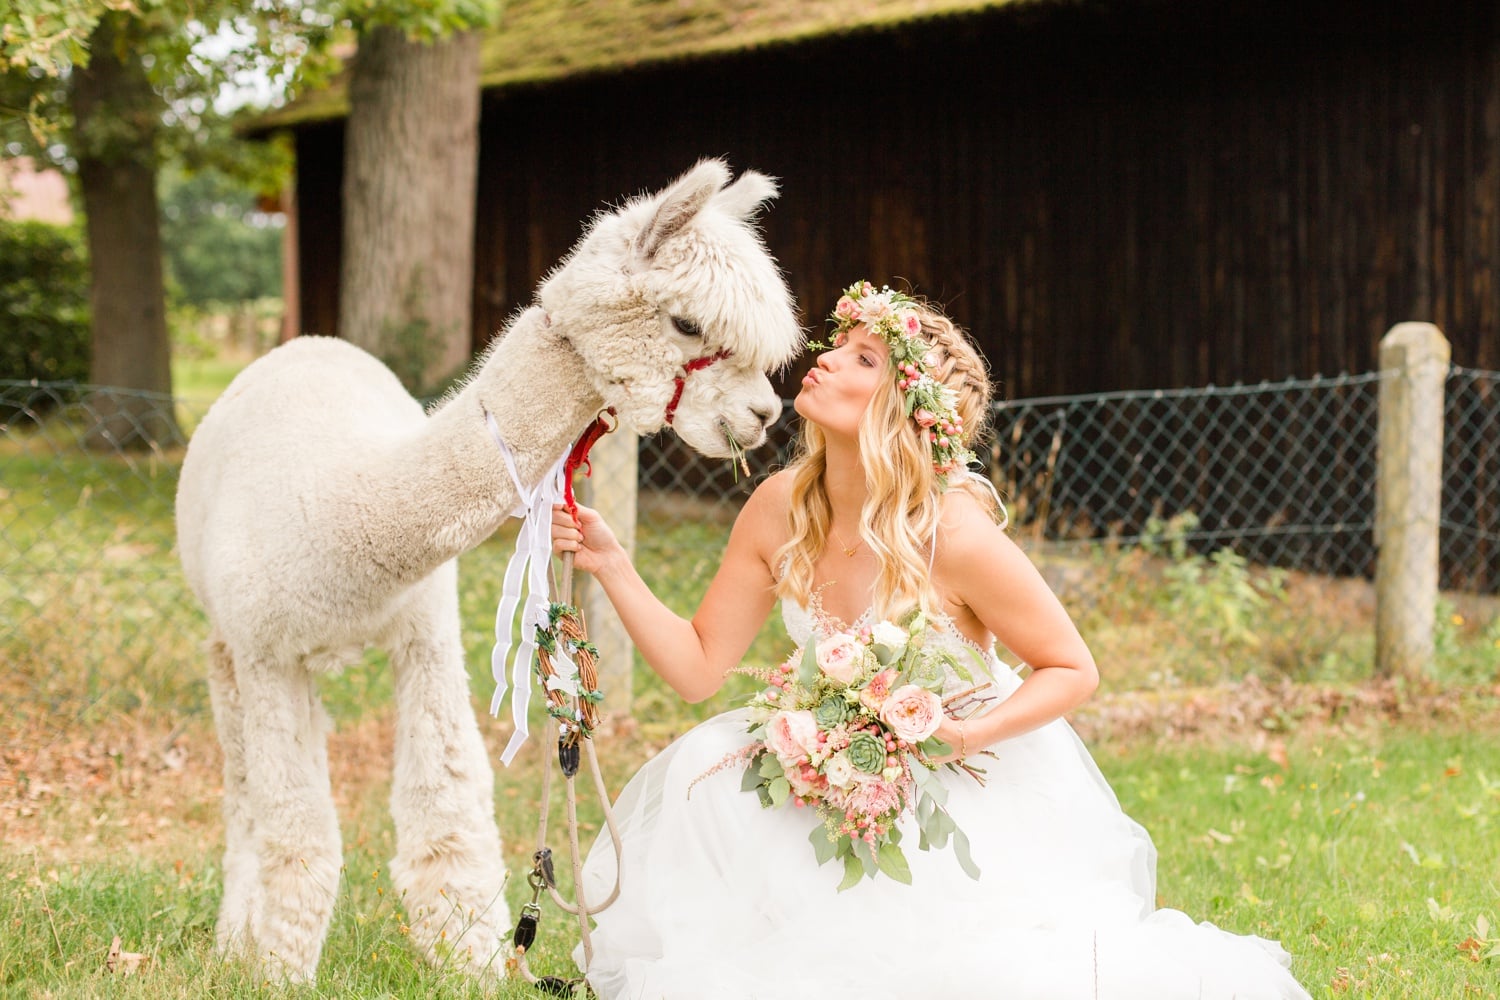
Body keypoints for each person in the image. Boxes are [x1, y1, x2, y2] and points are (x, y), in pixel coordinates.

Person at [550, 282, 1311, 1000]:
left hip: (960, 782)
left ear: (906, 407)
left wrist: (965, 733)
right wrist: (611, 563)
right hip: (824, 774)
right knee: (705, 779)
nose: (825, 358)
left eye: (862, 358)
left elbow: (1072, 668)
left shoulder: (954, 532)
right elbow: (696, 668)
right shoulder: (778, 507)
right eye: (835, 344)